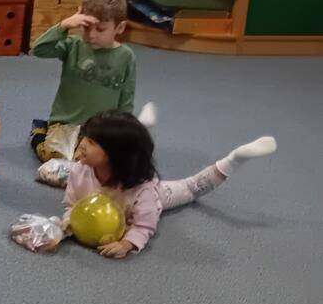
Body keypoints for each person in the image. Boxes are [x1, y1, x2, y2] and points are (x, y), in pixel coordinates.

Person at [40, 109, 274, 258]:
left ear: (115, 155)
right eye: (84, 137)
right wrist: (65, 227)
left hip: (153, 193)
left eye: (91, 142)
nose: (81, 144)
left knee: (191, 187)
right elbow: (72, 205)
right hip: (114, 177)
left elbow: (144, 225)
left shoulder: (144, 192)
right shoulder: (80, 170)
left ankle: (233, 159)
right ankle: (141, 127)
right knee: (53, 170)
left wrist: (127, 244)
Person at [31, 0, 136, 163]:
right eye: (86, 28)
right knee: (55, 159)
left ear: (119, 28)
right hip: (67, 122)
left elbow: (127, 96)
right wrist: (64, 25)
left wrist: (124, 128)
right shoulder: (73, 45)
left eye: (100, 29)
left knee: (100, 161)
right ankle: (39, 133)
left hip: (102, 128)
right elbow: (39, 49)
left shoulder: (126, 56)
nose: (91, 35)